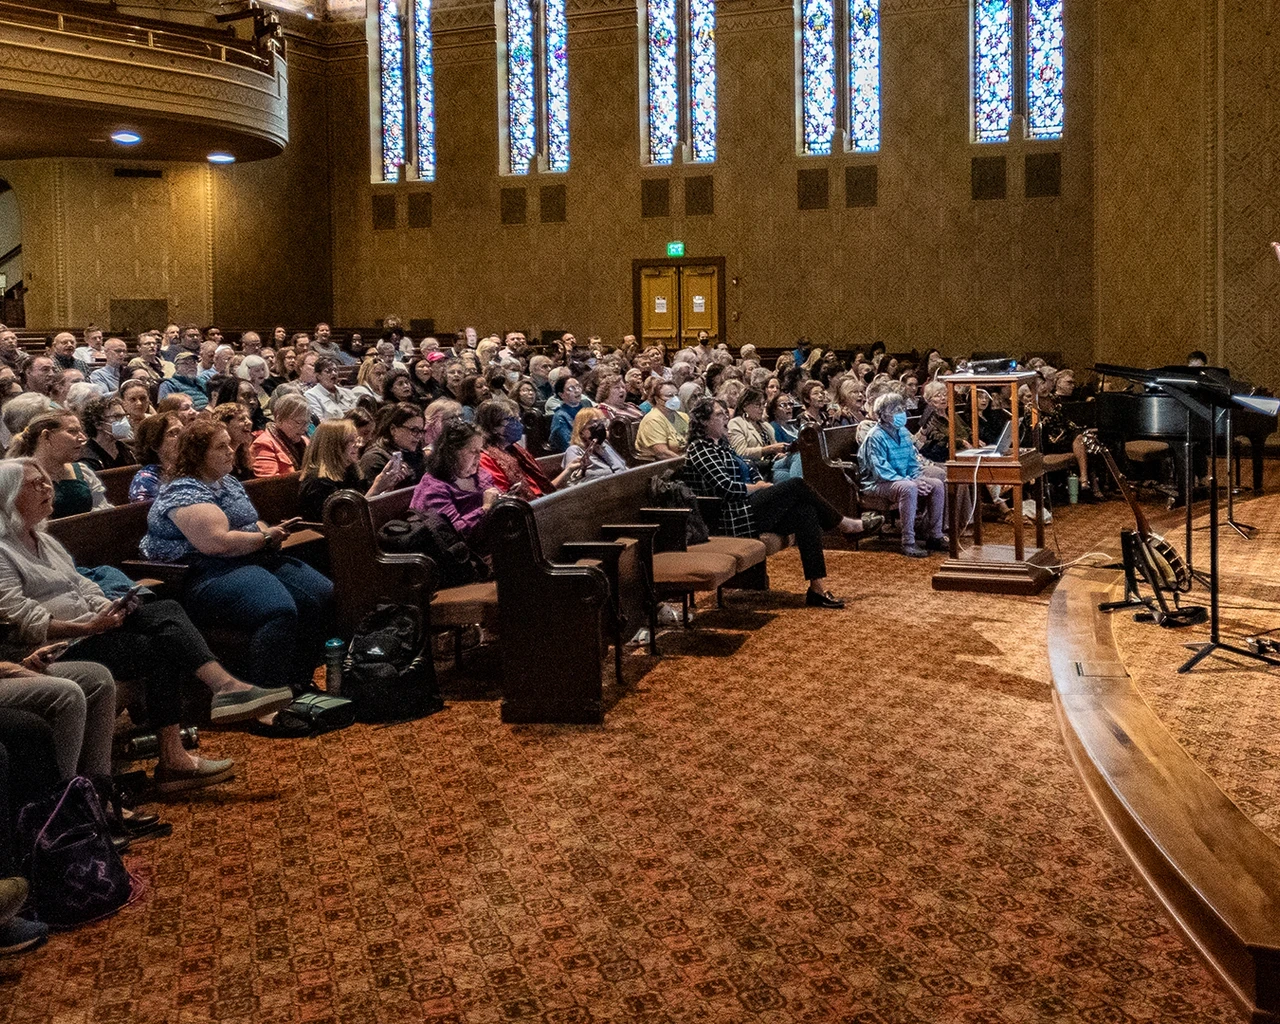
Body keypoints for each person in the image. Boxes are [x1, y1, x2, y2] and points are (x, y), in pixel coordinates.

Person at [0, 460, 292, 793]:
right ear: (7, 496)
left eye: (46, 481)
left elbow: (82, 586)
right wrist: (88, 627)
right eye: (34, 484)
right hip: (55, 647)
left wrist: (109, 609)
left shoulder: (44, 540)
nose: (47, 488)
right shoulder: (3, 552)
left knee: (161, 614)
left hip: (91, 630)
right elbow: (20, 618)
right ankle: (196, 726)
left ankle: (189, 737)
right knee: (159, 641)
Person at [140, 420, 335, 694]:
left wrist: (269, 532)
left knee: (321, 593)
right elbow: (215, 543)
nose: (231, 451)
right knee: (278, 608)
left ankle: (299, 680)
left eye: (229, 444)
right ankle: (266, 694)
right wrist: (266, 538)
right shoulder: (182, 490)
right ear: (197, 454)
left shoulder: (228, 482)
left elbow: (249, 522)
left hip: (248, 557)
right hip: (202, 573)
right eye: (221, 447)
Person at [682, 399, 880, 608]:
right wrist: (758, 488)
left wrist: (759, 481)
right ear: (704, 422)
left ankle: (817, 588)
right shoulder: (700, 449)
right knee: (796, 484)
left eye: (725, 413)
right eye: (720, 415)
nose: (726, 418)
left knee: (806, 512)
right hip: (729, 515)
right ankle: (846, 525)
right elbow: (726, 488)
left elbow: (749, 467)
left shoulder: (721, 445)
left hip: (747, 506)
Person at [859, 392, 948, 558]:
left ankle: (935, 535)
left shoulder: (903, 433)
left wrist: (917, 478)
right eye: (895, 409)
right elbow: (880, 470)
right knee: (909, 488)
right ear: (883, 414)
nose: (901, 413)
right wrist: (911, 481)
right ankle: (908, 542)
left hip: (902, 478)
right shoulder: (875, 437)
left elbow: (912, 463)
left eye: (901, 408)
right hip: (878, 482)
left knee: (936, 483)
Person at [297, 420, 410, 522]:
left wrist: (388, 486)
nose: (358, 445)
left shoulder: (350, 472)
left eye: (356, 439)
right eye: (351, 441)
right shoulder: (317, 481)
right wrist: (376, 488)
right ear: (333, 446)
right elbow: (343, 521)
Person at [409, 421, 498, 544]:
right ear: (452, 453)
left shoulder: (481, 476)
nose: (479, 457)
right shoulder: (434, 487)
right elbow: (452, 533)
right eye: (473, 451)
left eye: (480, 450)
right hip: (459, 554)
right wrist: (486, 508)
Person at [8, 412, 110, 519]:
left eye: (81, 431)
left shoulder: (82, 471)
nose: (83, 438)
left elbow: (103, 509)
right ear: (46, 436)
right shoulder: (21, 478)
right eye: (72, 431)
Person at [476, 398, 577, 496]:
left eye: (518, 418)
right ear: (493, 427)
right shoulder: (486, 459)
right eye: (512, 419)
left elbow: (542, 489)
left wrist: (569, 470)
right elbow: (506, 496)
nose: (519, 424)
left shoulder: (515, 449)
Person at [358, 403, 428, 488]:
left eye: (421, 431)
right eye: (414, 430)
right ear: (393, 429)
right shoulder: (374, 459)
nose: (419, 436)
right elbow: (376, 498)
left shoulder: (418, 455)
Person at [728, 387, 790, 480]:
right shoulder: (736, 423)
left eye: (763, 404)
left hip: (773, 464)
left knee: (797, 458)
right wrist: (770, 449)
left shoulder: (766, 426)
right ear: (745, 406)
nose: (761, 409)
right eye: (757, 405)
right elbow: (740, 453)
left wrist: (780, 454)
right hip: (757, 469)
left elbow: (775, 450)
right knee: (792, 473)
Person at [560, 408, 628, 486]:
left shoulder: (604, 444)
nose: (600, 426)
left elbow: (622, 467)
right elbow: (574, 484)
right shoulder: (574, 450)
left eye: (602, 422)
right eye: (594, 422)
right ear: (581, 430)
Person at [128, 413, 183, 502]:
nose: (182, 437)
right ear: (154, 444)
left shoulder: (187, 468)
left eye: (183, 431)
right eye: (173, 433)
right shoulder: (145, 480)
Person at [251, 393, 310, 477]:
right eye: (299, 422)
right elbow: (270, 484)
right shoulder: (264, 444)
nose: (305, 429)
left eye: (307, 423)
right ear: (279, 419)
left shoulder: (305, 441)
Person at [78, 396, 137, 472]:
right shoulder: (87, 458)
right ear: (97, 423)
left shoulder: (128, 451)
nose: (124, 421)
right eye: (117, 416)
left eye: (124, 416)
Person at [634, 382, 689, 461]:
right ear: (657, 399)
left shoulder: (684, 416)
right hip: (664, 466)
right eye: (669, 396)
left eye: (676, 395)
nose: (675, 399)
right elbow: (662, 453)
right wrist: (688, 463)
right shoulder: (652, 420)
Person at [210, 403, 256, 480]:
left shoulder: (243, 456)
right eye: (241, 419)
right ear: (224, 425)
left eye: (248, 418)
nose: (249, 422)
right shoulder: (217, 460)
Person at [306, 357, 359, 422]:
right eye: (328, 371)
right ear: (318, 375)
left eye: (335, 370)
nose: (334, 373)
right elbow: (319, 422)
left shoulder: (348, 392)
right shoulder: (311, 395)